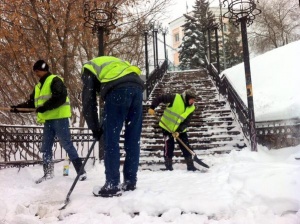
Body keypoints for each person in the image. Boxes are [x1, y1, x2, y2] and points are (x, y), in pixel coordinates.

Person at [10, 60, 86, 184]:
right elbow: (32, 104)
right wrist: (17, 108)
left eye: (37, 71)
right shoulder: (38, 86)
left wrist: (45, 107)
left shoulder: (55, 80)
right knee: (45, 147)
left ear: (42, 70)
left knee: (66, 144)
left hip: (59, 118)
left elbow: (60, 97)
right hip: (48, 120)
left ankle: (81, 172)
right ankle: (48, 173)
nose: (36, 74)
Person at [81, 56, 144, 197]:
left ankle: (112, 185)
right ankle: (130, 182)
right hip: (137, 89)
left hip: (118, 91)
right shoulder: (116, 63)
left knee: (111, 140)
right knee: (133, 140)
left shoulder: (88, 69)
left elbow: (88, 103)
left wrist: (95, 129)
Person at [148, 90, 198, 171]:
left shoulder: (192, 108)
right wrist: (152, 107)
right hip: (167, 126)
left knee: (185, 145)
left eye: (194, 100)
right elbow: (161, 98)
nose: (193, 101)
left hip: (180, 129)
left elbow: (186, 122)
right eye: (191, 99)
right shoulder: (175, 98)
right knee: (169, 145)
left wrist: (178, 131)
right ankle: (168, 166)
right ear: (187, 98)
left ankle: (190, 165)